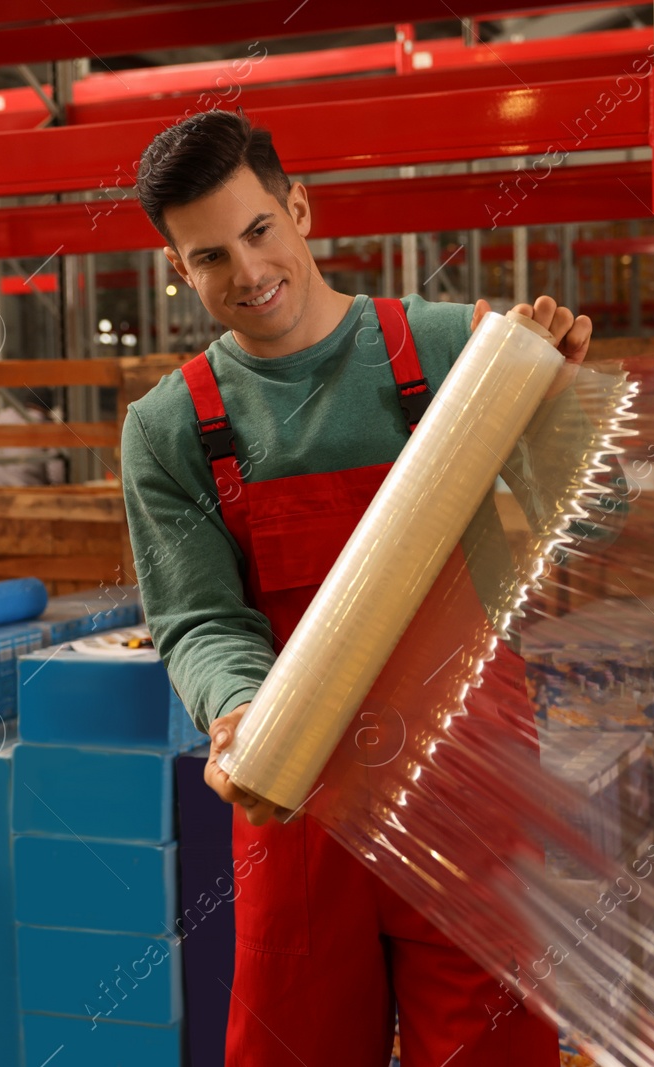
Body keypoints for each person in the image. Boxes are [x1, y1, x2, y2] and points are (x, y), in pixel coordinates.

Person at [120, 109, 588, 1067]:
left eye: (259, 232)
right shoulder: (171, 429)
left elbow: (597, 520)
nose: (247, 274)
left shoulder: (460, 350)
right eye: (210, 257)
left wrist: (559, 414)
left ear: (299, 208)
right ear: (179, 269)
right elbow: (201, 618)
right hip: (299, 798)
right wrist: (242, 713)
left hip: (471, 793)